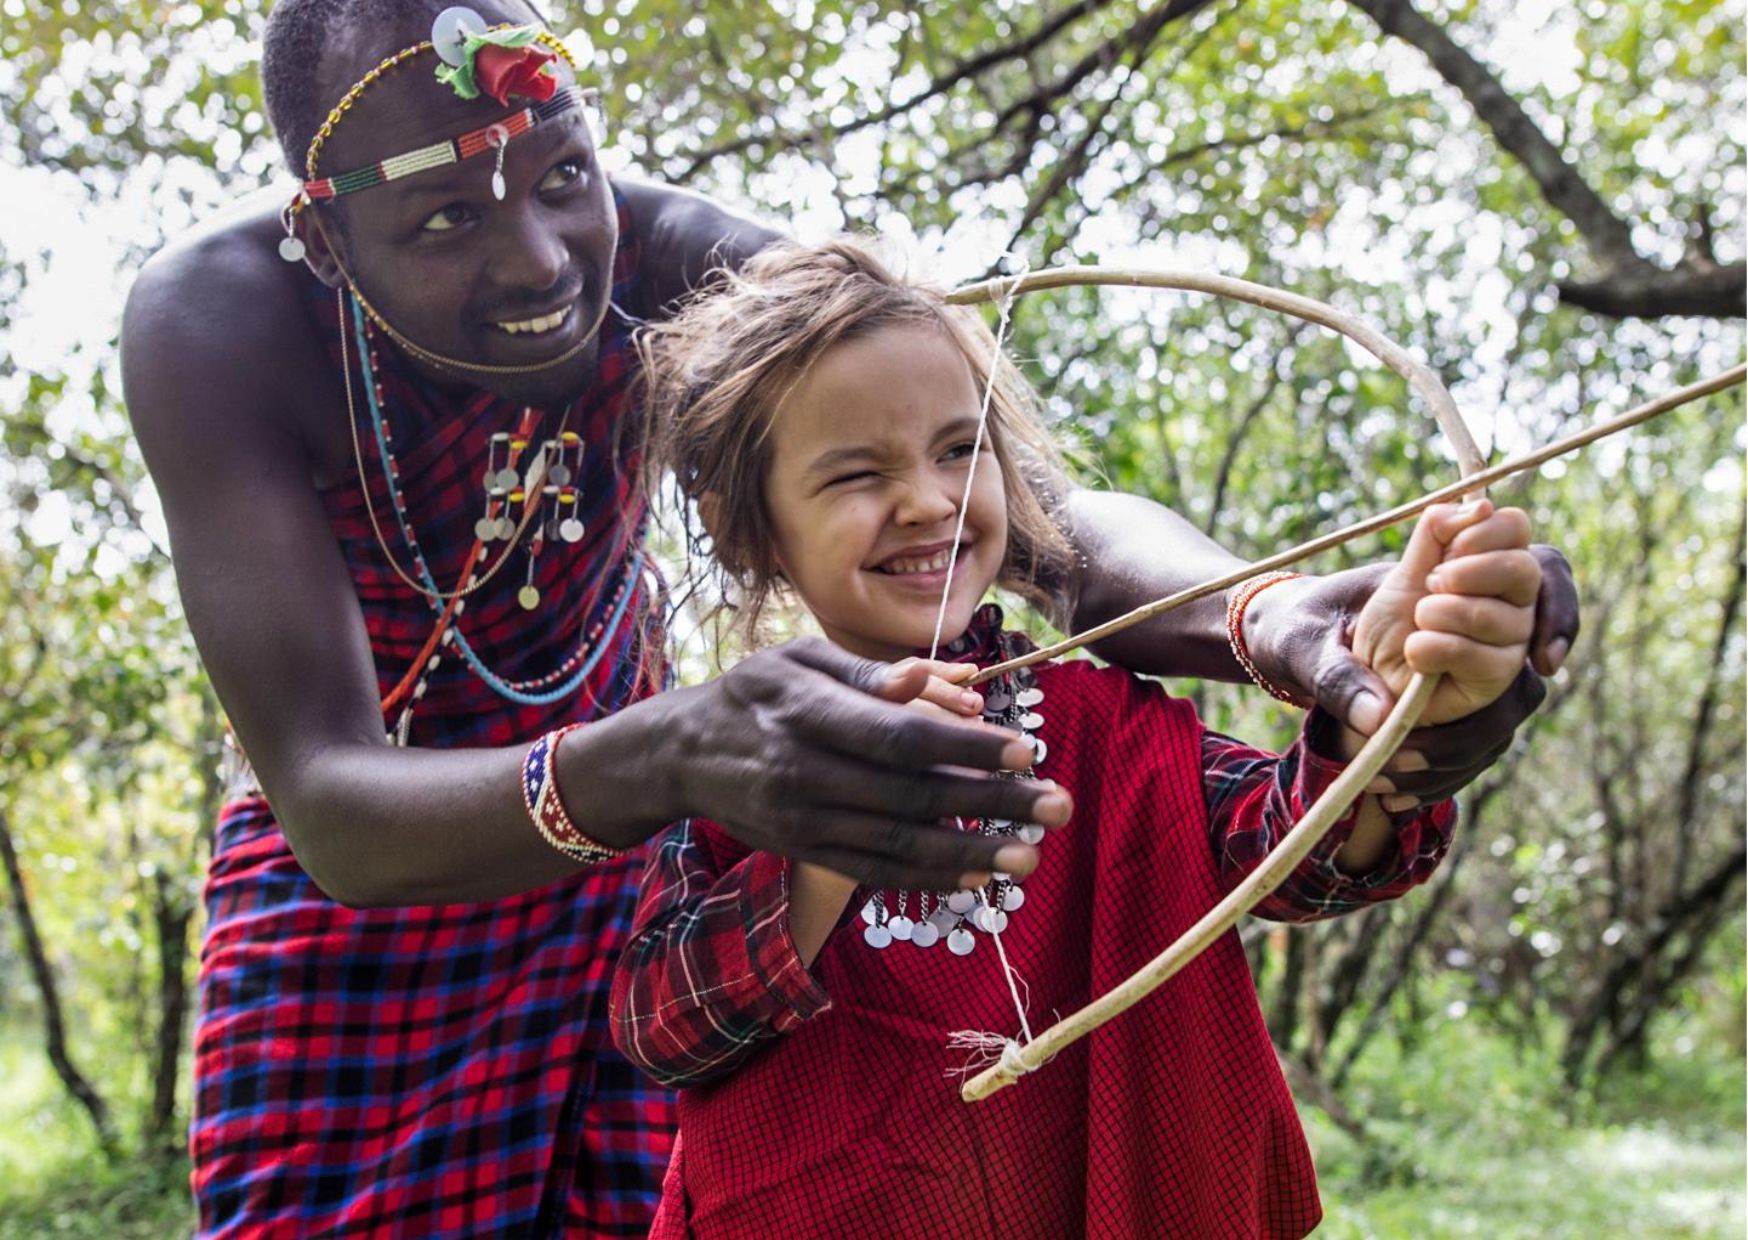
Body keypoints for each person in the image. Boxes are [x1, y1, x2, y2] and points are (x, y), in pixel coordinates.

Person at [116, 1, 1575, 1234]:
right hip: (400, 871)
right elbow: (332, 806)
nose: (544, 262)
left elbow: (1025, 503)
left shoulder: (688, 269)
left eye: (566, 175)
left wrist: (1282, 626)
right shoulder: (219, 325)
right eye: (443, 217)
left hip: (669, 811)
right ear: (324, 231)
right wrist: (682, 762)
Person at [609, 239, 1545, 1238]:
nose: (927, 499)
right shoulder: (733, 764)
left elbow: (1295, 853)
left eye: (959, 449)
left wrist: (1399, 693)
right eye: (853, 472)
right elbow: (662, 1025)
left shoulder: (1099, 722)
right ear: (748, 530)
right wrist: (830, 839)